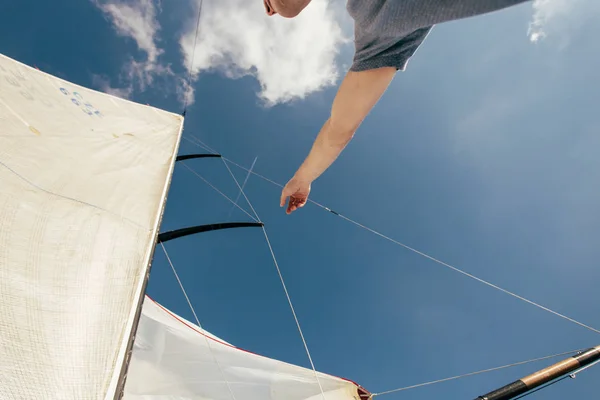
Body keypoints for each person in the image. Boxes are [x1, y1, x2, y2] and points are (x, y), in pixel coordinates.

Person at [268, 0, 530, 214]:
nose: (269, 10)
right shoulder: (377, 24)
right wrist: (304, 177)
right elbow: (339, 129)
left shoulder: (377, 22)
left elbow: (339, 130)